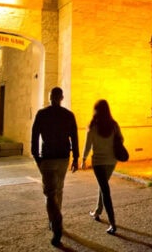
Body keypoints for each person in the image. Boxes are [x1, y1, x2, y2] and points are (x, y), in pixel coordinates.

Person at [31, 87, 79, 247]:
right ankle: (55, 218)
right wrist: (76, 157)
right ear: (62, 97)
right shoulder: (68, 115)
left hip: (49, 157)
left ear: (50, 97)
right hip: (64, 156)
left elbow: (34, 137)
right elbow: (74, 136)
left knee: (50, 193)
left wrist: (37, 157)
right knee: (58, 189)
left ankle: (55, 221)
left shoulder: (42, 114)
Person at [81, 99, 122, 235]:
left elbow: (87, 146)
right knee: (103, 185)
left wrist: (83, 159)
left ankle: (112, 224)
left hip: (98, 162)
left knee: (105, 189)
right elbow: (121, 139)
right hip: (112, 161)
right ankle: (97, 212)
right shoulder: (114, 125)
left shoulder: (92, 126)